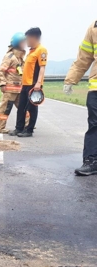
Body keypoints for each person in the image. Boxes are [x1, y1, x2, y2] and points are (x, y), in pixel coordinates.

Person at [64, 20, 97, 176]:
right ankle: (91, 161)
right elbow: (84, 57)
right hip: (96, 87)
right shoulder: (94, 27)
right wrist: (71, 79)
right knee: (94, 124)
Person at [9, 27, 47, 137]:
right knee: (21, 107)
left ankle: (29, 130)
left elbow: (42, 68)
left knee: (32, 108)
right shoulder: (31, 51)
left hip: (34, 84)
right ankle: (19, 128)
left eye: (28, 39)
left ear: (34, 38)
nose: (27, 41)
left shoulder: (41, 50)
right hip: (25, 84)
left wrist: (38, 83)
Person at [0, 32, 29, 133]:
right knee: (5, 109)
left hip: (19, 89)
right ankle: (0, 128)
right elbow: (0, 71)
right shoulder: (10, 57)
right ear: (16, 43)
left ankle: (27, 125)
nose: (25, 44)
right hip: (10, 90)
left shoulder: (20, 58)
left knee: (24, 108)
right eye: (23, 42)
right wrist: (2, 84)